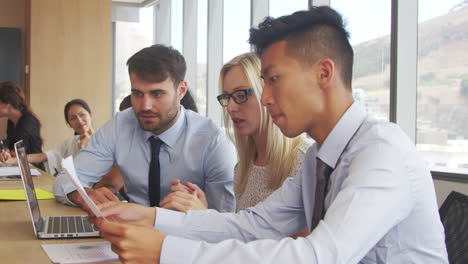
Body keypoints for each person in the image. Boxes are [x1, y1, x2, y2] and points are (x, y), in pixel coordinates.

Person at [91, 6, 449, 264]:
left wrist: (166, 252)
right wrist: (149, 218)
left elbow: (320, 255)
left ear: (324, 73)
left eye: (273, 79)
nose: (264, 98)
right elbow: (253, 225)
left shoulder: (382, 153)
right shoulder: (318, 160)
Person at [53, 44, 237, 212]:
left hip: (187, 240)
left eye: (157, 94)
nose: (145, 106)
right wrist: (83, 195)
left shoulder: (213, 141)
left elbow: (225, 221)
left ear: (181, 91)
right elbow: (65, 180)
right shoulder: (121, 125)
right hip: (130, 233)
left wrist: (201, 214)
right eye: (137, 94)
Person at [160, 52, 311, 218]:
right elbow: (243, 236)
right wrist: (204, 211)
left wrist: (205, 217)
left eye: (241, 95)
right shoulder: (244, 167)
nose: (231, 107)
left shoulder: (303, 163)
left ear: (268, 93)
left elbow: (291, 243)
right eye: (227, 97)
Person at [1, 99, 93, 175]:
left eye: (82, 115)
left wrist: (83, 148)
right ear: (69, 124)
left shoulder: (103, 140)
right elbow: (43, 156)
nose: (79, 121)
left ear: (90, 115)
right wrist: (12, 160)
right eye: (73, 118)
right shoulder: (70, 142)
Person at [0, 81, 44, 170]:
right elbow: (10, 147)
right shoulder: (11, 121)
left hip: (34, 171)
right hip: (18, 168)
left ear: (6, 104)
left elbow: (16, 151)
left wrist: (7, 151)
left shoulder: (28, 120)